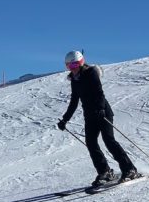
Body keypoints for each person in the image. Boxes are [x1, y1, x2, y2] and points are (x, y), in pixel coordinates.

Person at [57, 50, 139, 186]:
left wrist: (101, 108)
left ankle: (129, 169)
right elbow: (74, 101)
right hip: (90, 116)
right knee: (91, 143)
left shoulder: (91, 73)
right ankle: (105, 172)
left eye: (76, 64)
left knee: (109, 141)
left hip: (103, 113)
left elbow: (99, 92)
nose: (74, 68)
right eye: (70, 66)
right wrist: (65, 119)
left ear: (82, 62)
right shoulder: (74, 80)